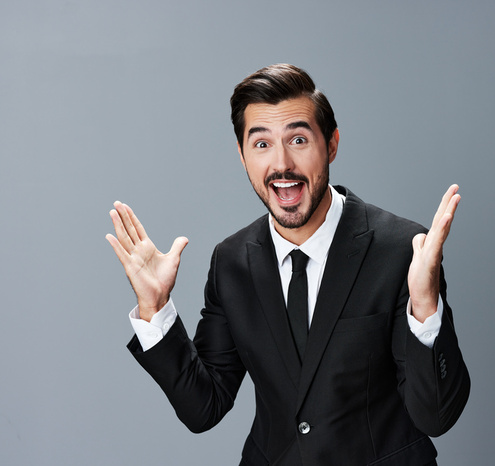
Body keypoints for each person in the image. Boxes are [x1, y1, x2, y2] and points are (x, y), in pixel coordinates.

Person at [106, 64, 470, 466]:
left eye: (298, 139)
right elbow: (203, 408)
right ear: (242, 156)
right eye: (261, 144)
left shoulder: (403, 250)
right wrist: (155, 310)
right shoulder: (231, 262)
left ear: (331, 145)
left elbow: (435, 416)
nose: (281, 165)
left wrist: (424, 305)